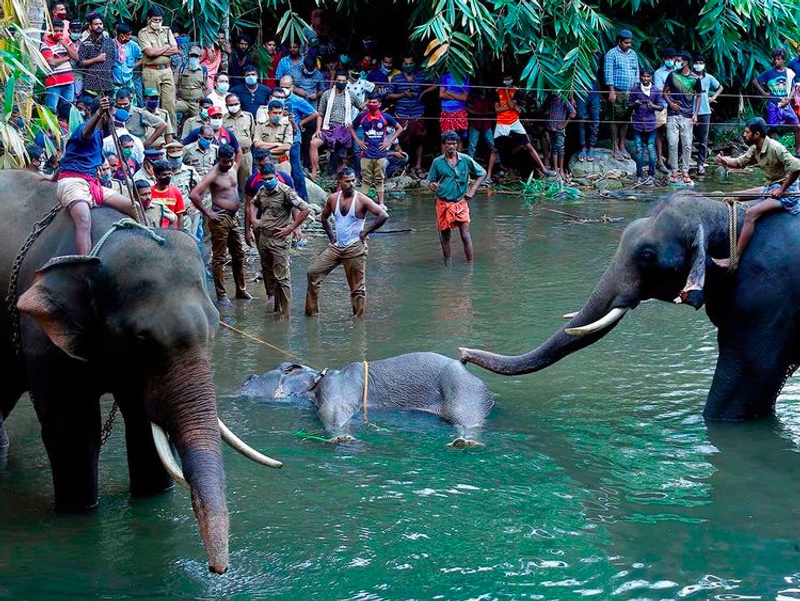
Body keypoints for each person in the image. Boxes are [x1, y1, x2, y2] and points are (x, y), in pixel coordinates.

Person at [713, 117, 800, 269]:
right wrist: (724, 161)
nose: (744, 135)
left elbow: (797, 167)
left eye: (747, 132)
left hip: (787, 192)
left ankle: (734, 259)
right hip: (770, 187)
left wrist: (782, 189)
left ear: (757, 134)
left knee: (751, 213)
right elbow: (739, 163)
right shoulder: (755, 148)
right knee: (734, 195)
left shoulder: (775, 148)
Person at [53, 96, 135, 255]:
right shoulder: (84, 128)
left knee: (133, 206)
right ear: (104, 115)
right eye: (112, 115)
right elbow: (86, 133)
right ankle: (84, 263)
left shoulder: (99, 134)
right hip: (73, 183)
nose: (114, 119)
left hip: (92, 184)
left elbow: (67, 158)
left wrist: (52, 177)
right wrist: (98, 113)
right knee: (84, 220)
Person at [305, 168, 389, 317]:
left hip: (355, 247)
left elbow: (383, 215)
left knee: (357, 288)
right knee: (313, 272)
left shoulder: (361, 199)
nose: (351, 184)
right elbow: (324, 218)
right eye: (347, 181)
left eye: (353, 181)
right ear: (340, 182)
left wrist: (366, 232)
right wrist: (331, 237)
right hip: (337, 247)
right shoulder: (333, 198)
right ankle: (312, 314)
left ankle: (358, 322)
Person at [189, 144, 253, 304]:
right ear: (219, 159)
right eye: (225, 162)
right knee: (219, 257)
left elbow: (239, 151)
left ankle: (241, 290)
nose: (229, 164)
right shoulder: (213, 174)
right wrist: (208, 213)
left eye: (231, 161)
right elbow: (194, 195)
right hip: (219, 217)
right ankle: (221, 295)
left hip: (233, 217)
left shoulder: (234, 166)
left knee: (238, 254)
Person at [248, 163, 311, 318]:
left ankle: (285, 315)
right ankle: (276, 308)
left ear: (276, 176)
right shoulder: (262, 190)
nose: (267, 181)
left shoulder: (286, 191)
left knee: (282, 278)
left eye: (270, 179)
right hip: (264, 237)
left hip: (279, 239)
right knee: (269, 275)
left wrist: (291, 228)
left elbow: (306, 209)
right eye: (264, 179)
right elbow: (252, 203)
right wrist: (253, 220)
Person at [427, 131, 486, 264]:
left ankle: (470, 264)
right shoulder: (437, 162)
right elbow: (430, 182)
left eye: (454, 144)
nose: (451, 147)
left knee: (465, 235)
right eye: (448, 144)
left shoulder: (465, 159)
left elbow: (482, 173)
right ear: (444, 145)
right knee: (445, 236)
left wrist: (472, 189)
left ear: (457, 144)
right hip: (443, 202)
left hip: (461, 202)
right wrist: (433, 186)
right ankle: (448, 264)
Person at [486, 73, 553, 185]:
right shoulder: (497, 91)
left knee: (528, 145)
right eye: (505, 79)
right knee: (495, 150)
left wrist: (507, 94)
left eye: (509, 78)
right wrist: (511, 107)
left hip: (514, 122)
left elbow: (512, 106)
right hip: (502, 123)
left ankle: (544, 170)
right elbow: (498, 110)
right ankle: (488, 176)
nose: (507, 81)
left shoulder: (516, 91)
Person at [386, 54, 437, 179]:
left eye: (410, 63)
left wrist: (424, 92)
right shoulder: (396, 78)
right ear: (402, 65)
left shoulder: (421, 76)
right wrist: (403, 94)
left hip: (417, 113)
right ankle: (403, 166)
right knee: (401, 141)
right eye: (406, 64)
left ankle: (418, 166)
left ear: (414, 64)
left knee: (419, 140)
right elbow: (389, 95)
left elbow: (437, 83)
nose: (408, 66)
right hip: (401, 114)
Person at [350, 92, 403, 206]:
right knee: (366, 180)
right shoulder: (362, 116)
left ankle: (381, 204)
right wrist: (359, 141)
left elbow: (399, 128)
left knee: (379, 180)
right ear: (367, 103)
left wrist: (389, 141)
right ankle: (361, 205)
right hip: (366, 153)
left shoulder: (385, 117)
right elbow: (351, 127)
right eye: (370, 102)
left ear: (379, 104)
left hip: (381, 153)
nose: (372, 104)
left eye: (375, 102)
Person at [310, 70, 365, 180]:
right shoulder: (327, 94)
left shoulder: (351, 95)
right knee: (313, 143)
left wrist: (354, 123)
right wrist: (318, 129)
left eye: (343, 81)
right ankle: (314, 173)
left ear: (346, 82)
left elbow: (362, 108)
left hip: (344, 130)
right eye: (339, 80)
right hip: (328, 129)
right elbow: (320, 113)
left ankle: (340, 182)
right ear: (335, 81)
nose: (341, 82)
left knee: (341, 157)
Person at [663, 50, 702, 185]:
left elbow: (699, 96)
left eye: (679, 60)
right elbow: (665, 92)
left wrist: (695, 114)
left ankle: (685, 172)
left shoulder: (695, 78)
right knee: (672, 143)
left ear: (686, 62)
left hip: (687, 115)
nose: (676, 62)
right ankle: (674, 171)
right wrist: (671, 104)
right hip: (672, 115)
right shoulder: (672, 75)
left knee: (687, 145)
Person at [753, 48, 800, 155]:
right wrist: (764, 93)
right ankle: (776, 153)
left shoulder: (789, 73)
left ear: (783, 60)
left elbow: (793, 87)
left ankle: (798, 151)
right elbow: (755, 81)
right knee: (773, 128)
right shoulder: (769, 73)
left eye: (779, 59)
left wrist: (789, 99)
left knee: (797, 126)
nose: (776, 61)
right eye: (775, 59)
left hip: (786, 103)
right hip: (773, 104)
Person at [138, 6, 179, 127]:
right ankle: (152, 131)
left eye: (159, 19)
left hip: (167, 70)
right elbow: (150, 53)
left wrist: (158, 51)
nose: (158, 22)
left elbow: (175, 49)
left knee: (169, 104)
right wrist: (166, 47)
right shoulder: (143, 33)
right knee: (152, 103)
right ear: (148, 18)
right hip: (151, 71)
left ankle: (171, 133)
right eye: (155, 20)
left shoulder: (166, 30)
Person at [603, 29, 639, 160]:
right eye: (626, 43)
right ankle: (614, 146)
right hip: (617, 90)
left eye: (630, 43)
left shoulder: (633, 54)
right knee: (614, 118)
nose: (628, 45)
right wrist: (611, 91)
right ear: (619, 41)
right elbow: (608, 72)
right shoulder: (611, 54)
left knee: (626, 119)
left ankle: (622, 144)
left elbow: (637, 72)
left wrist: (636, 90)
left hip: (630, 91)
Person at [628, 68, 666, 185]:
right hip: (637, 123)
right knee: (639, 150)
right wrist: (635, 104)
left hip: (651, 124)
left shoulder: (656, 91)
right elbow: (628, 105)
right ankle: (639, 176)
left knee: (651, 149)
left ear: (651, 78)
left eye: (648, 77)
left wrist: (652, 105)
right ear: (640, 77)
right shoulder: (635, 90)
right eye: (644, 76)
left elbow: (661, 106)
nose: (645, 79)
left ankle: (651, 175)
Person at [693, 55, 723, 175]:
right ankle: (682, 164)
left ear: (704, 65)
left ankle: (700, 164)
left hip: (705, 111)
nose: (698, 65)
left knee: (703, 140)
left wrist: (714, 97)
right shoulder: (690, 77)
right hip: (690, 111)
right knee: (686, 138)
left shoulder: (709, 78)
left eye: (701, 63)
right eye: (696, 62)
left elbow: (720, 87)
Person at [40, 19, 77, 113]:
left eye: (61, 31)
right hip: (54, 83)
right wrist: (68, 58)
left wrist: (66, 46)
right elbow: (52, 62)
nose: (59, 33)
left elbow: (76, 57)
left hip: (69, 81)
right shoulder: (45, 44)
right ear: (51, 30)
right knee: (51, 111)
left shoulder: (66, 41)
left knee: (67, 111)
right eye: (56, 31)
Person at [223, 92, 256, 192]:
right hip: (230, 156)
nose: (233, 107)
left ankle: (246, 204)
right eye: (231, 105)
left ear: (240, 103)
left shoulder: (248, 116)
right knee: (229, 181)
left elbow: (253, 134)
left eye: (235, 104)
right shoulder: (223, 119)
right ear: (226, 106)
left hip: (246, 154)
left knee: (246, 182)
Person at [77, 12, 115, 97]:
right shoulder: (85, 43)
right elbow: (80, 63)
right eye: (96, 24)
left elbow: (112, 61)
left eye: (100, 24)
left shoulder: (110, 42)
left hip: (107, 85)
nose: (99, 26)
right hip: (91, 86)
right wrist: (96, 59)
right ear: (90, 26)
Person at [653, 47, 678, 173]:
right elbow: (660, 91)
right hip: (662, 106)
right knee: (659, 132)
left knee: (674, 133)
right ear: (664, 59)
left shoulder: (679, 71)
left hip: (677, 106)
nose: (670, 61)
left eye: (672, 59)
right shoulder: (658, 73)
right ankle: (659, 161)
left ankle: (670, 159)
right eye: (667, 59)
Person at [573, 52, 601, 163]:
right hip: (580, 92)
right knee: (580, 118)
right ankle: (583, 147)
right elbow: (572, 77)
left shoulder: (597, 57)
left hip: (594, 92)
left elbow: (600, 75)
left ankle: (592, 147)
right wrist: (572, 97)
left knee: (595, 119)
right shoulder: (578, 54)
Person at [254, 99, 293, 175]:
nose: (278, 115)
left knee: (284, 184)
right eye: (275, 113)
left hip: (281, 163)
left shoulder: (287, 125)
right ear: (269, 113)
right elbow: (257, 144)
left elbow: (287, 146)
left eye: (280, 113)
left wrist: (266, 151)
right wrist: (277, 144)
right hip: (264, 163)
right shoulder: (261, 125)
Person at [544, 92, 576, 178]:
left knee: (560, 148)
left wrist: (564, 125)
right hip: (551, 127)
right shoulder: (550, 98)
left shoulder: (563, 98)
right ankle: (555, 168)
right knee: (553, 147)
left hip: (559, 128)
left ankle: (561, 169)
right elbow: (545, 109)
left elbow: (573, 112)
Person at [175, 46, 208, 125]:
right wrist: (173, 99)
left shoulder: (203, 70)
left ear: (199, 57)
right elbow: (175, 85)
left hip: (196, 103)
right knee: (170, 108)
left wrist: (203, 102)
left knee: (201, 120)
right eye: (191, 56)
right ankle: (173, 132)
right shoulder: (181, 67)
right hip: (183, 101)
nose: (193, 58)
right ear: (188, 56)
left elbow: (206, 88)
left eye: (196, 56)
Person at [150, 159, 186, 229]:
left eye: (169, 174)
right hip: (154, 228)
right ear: (157, 176)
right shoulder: (149, 192)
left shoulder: (176, 192)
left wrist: (179, 233)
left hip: (171, 230)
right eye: (164, 175)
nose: (168, 177)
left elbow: (180, 216)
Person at [112, 23, 142, 100]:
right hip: (114, 83)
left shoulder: (133, 45)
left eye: (130, 34)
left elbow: (142, 58)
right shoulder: (110, 44)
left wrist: (133, 66)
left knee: (132, 103)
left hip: (128, 82)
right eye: (128, 35)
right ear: (121, 35)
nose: (130, 37)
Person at [466, 88, 496, 160]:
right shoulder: (473, 98)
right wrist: (475, 112)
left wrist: (481, 113)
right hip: (475, 124)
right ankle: (469, 165)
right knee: (472, 146)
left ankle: (498, 163)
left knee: (492, 145)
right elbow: (467, 108)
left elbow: (494, 111)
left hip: (486, 124)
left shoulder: (489, 99)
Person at [439, 72, 470, 143]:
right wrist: (458, 97)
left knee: (459, 138)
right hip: (446, 111)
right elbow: (441, 94)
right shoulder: (445, 76)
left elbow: (464, 98)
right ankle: (445, 154)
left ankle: (458, 154)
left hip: (460, 111)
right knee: (445, 137)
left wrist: (449, 93)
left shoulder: (465, 77)